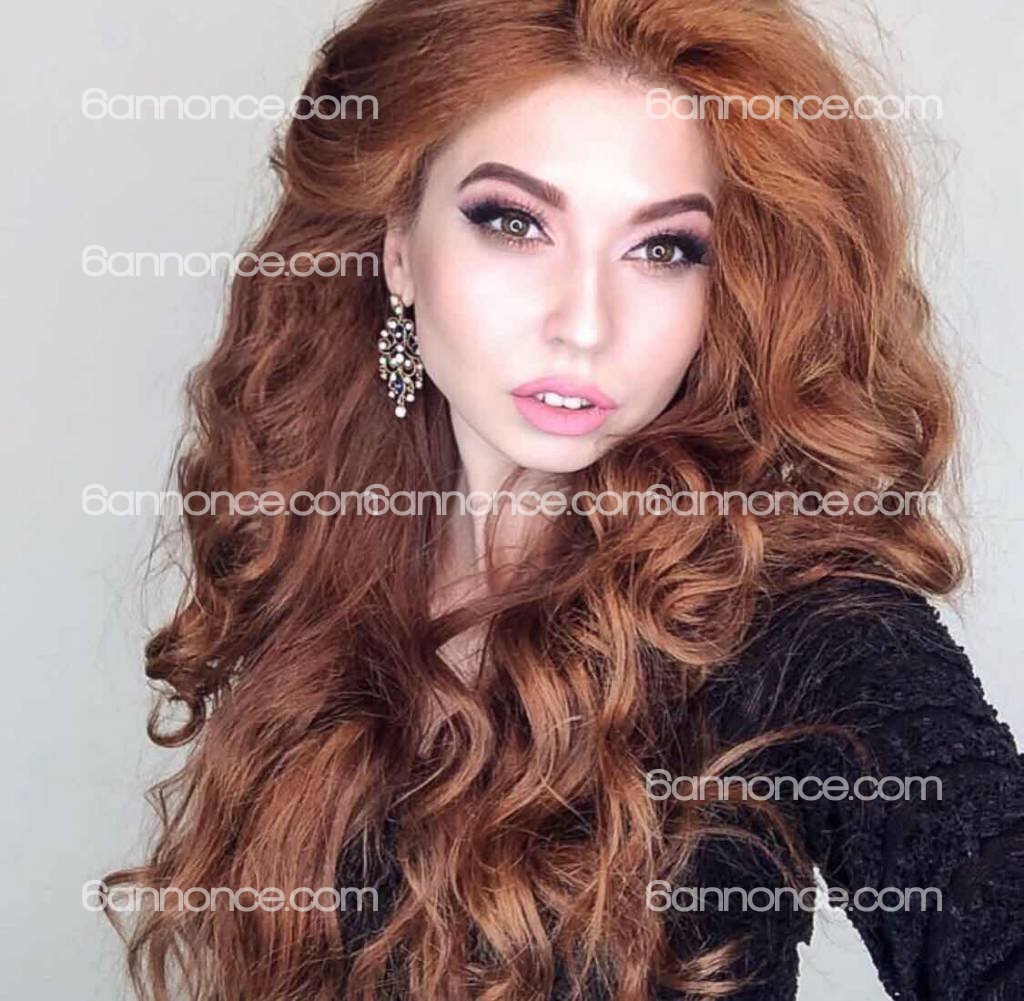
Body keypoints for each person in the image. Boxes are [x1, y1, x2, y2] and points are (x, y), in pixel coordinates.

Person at [103, 0, 1024, 998]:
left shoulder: (800, 632)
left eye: (664, 248)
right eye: (514, 223)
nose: (584, 323)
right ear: (399, 247)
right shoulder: (320, 571)